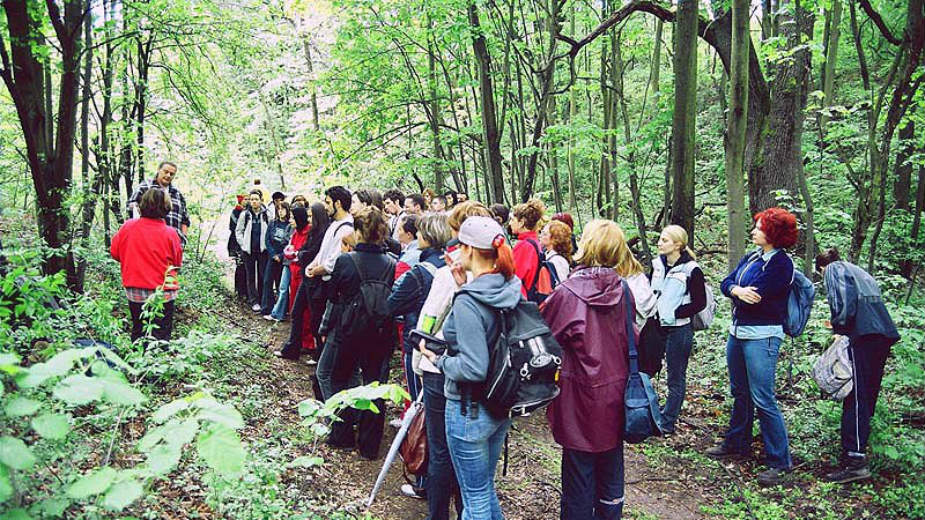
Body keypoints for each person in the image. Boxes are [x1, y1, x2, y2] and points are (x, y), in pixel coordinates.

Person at [421, 215, 520, 520]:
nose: (456, 252)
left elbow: (474, 367)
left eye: (460, 246)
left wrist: (439, 360)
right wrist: (464, 286)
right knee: (484, 489)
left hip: (468, 410)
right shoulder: (510, 285)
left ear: (471, 250)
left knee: (474, 499)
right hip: (499, 403)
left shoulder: (469, 301)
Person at [541, 220, 634, 520]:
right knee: (611, 466)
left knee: (579, 475)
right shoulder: (624, 289)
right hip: (616, 392)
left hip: (579, 396)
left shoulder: (568, 293)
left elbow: (542, 338)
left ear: (587, 245)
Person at [710, 208, 798, 486]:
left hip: (763, 336)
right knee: (740, 391)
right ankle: (737, 442)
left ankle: (780, 462)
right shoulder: (752, 257)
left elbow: (756, 297)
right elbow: (727, 283)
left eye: (759, 228)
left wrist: (737, 291)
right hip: (738, 333)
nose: (753, 232)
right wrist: (736, 290)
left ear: (773, 233)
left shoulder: (781, 264)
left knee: (763, 397)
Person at [413, 201, 491, 511]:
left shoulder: (450, 274)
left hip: (441, 369)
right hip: (481, 371)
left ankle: (438, 513)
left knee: (441, 451)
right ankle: (467, 511)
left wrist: (421, 355)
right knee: (472, 452)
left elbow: (429, 319)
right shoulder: (499, 277)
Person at [815, 248, 900, 483]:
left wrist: (839, 329)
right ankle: (856, 453)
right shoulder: (859, 271)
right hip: (881, 334)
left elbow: (842, 302)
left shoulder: (833, 269)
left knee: (856, 396)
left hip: (862, 335)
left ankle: (855, 461)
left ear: (821, 268)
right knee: (866, 396)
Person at [386, 213, 451, 502]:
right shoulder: (452, 267)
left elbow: (392, 304)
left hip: (421, 348)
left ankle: (424, 480)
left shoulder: (421, 272)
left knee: (422, 414)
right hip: (448, 353)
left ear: (427, 237)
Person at [326, 208, 396, 459]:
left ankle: (342, 435)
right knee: (375, 385)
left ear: (357, 232)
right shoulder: (392, 263)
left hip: (350, 329)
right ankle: (369, 445)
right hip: (380, 332)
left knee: (341, 379)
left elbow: (333, 295)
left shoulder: (346, 261)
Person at [649, 225, 706, 434]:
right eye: (660, 239)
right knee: (648, 369)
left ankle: (667, 422)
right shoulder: (656, 265)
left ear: (678, 245)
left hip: (679, 329)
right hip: (656, 326)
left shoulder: (692, 269)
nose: (659, 243)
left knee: (675, 376)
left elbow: (699, 302)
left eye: (664, 240)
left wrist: (675, 313)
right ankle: (649, 413)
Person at [303, 186, 356, 399]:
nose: (325, 207)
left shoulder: (346, 228)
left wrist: (317, 270)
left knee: (327, 331)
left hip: (331, 287)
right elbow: (323, 253)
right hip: (320, 282)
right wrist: (312, 265)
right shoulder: (333, 225)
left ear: (338, 203)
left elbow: (334, 261)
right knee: (318, 326)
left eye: (327, 202)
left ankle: (327, 380)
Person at [111, 188, 183, 343]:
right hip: (163, 291)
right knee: (161, 336)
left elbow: (115, 253)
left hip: (135, 290)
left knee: (139, 330)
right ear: (166, 207)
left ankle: (137, 356)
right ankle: (159, 356)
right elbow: (177, 263)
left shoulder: (128, 227)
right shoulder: (170, 233)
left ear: (142, 204)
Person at [127, 161, 190, 245]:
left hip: (173, 244)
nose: (168, 175)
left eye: (171, 174)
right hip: (148, 242)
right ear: (159, 170)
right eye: (166, 172)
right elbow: (131, 208)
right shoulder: (145, 187)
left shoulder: (177, 194)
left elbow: (185, 220)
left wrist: (182, 240)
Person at [269, 204, 310, 322]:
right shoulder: (295, 232)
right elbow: (288, 245)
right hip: (291, 265)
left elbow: (304, 253)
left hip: (301, 270)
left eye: (293, 218)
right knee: (285, 289)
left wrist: (295, 254)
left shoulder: (308, 234)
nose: (290, 220)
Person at [235, 190, 269, 312]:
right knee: (250, 275)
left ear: (261, 200)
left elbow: (270, 230)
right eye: (252, 199)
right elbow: (238, 231)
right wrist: (243, 244)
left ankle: (262, 299)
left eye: (256, 199)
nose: (254, 201)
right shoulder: (245, 215)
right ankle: (253, 300)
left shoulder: (266, 214)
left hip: (262, 250)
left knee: (262, 275)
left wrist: (268, 245)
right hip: (248, 250)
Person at [510, 198, 546, 298]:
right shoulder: (534, 241)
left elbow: (513, 278)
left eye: (512, 220)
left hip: (521, 298)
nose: (510, 223)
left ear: (521, 222)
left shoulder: (524, 246)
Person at [261, 202, 292, 316]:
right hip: (272, 256)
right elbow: (267, 240)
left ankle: (282, 309)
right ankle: (266, 307)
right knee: (267, 281)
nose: (280, 211)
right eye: (278, 209)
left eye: (283, 209)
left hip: (283, 258)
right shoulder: (273, 223)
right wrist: (273, 254)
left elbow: (290, 243)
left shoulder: (290, 225)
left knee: (281, 284)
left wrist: (281, 255)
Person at [228, 195, 247, 300]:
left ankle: (245, 290)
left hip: (245, 243)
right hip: (236, 243)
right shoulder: (235, 212)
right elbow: (233, 227)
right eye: (245, 199)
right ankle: (239, 290)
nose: (247, 201)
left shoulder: (248, 212)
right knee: (240, 266)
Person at [395, 214, 421, 281]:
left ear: (409, 234)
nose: (397, 232)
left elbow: (396, 280)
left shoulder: (409, 257)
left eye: (400, 229)